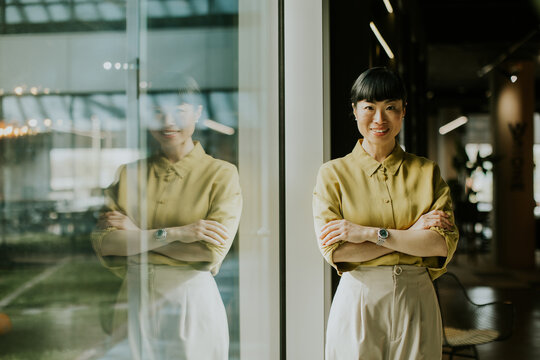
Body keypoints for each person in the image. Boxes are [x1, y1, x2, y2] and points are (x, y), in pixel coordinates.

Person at [91, 75, 242, 360]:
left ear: (197, 112)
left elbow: (208, 253)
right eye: (158, 111)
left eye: (179, 111)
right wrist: (174, 234)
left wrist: (136, 235)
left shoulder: (221, 174)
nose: (167, 121)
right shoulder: (128, 174)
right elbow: (106, 244)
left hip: (190, 302)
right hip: (132, 300)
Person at [313, 67, 459, 360]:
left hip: (416, 299)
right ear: (354, 110)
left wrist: (368, 233)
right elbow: (338, 252)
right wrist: (412, 233)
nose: (379, 119)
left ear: (403, 112)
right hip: (359, 301)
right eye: (369, 108)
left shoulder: (427, 172)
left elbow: (440, 244)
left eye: (390, 108)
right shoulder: (333, 174)